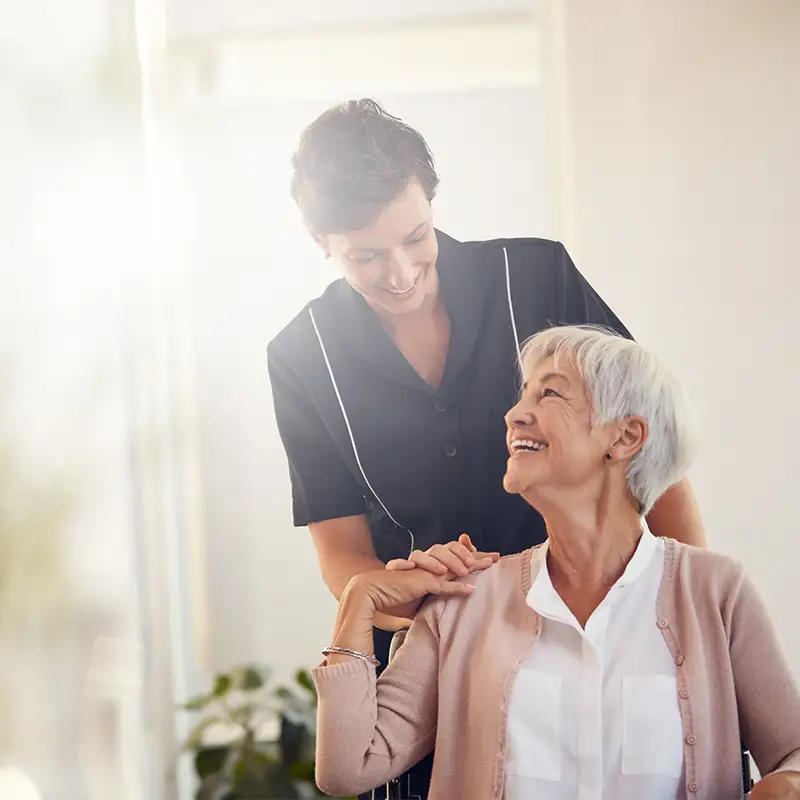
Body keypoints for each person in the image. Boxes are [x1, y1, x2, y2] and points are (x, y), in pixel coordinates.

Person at [266, 98, 706, 798]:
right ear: (322, 241)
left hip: (592, 631)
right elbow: (340, 549)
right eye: (366, 256)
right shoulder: (301, 358)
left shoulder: (536, 279)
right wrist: (411, 603)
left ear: (432, 201)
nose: (401, 271)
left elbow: (648, 448)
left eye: (415, 237)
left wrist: (695, 605)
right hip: (428, 674)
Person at [312, 325, 800, 800]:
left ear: (626, 436)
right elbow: (348, 767)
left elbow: (792, 753)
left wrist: (784, 787)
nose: (514, 415)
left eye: (549, 394)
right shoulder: (466, 598)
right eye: (522, 396)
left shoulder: (716, 591)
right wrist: (360, 600)